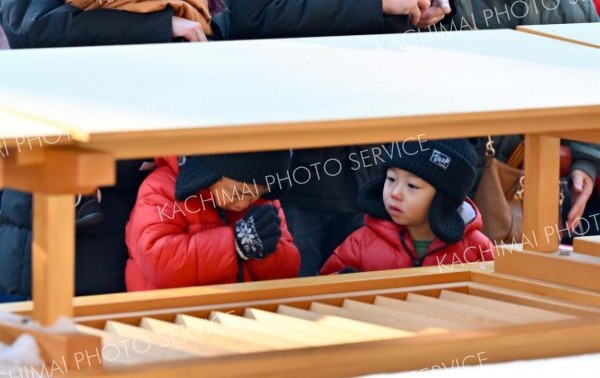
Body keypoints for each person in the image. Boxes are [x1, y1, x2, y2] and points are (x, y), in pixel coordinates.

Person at [125, 151, 300, 290]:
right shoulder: (161, 189)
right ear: (209, 175)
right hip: (171, 314)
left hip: (236, 313)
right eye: (237, 193)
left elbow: (289, 268)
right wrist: (235, 245)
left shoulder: (262, 201)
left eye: (258, 193)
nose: (245, 203)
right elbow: (157, 259)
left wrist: (261, 251)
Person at [320, 139, 494, 275]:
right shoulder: (361, 243)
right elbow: (327, 289)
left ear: (444, 199)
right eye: (391, 179)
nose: (395, 193)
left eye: (412, 186)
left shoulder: (476, 248)